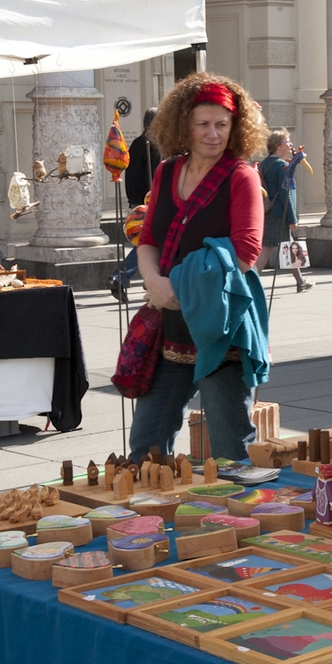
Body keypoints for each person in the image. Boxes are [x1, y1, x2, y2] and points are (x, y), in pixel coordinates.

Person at [131, 73, 268, 463]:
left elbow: (245, 253)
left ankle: (237, 522)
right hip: (171, 327)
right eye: (203, 124)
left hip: (221, 327)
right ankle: (151, 520)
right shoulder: (167, 172)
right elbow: (149, 240)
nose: (213, 134)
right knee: (145, 447)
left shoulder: (242, 176)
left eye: (222, 125)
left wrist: (172, 285)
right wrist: (154, 282)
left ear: (235, 127)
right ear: (183, 126)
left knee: (230, 452)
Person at [109, 107, 163, 302]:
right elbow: (156, 179)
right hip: (148, 203)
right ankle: (120, 277)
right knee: (147, 243)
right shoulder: (154, 146)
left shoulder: (137, 144)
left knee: (149, 243)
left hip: (136, 201)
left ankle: (149, 280)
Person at [255, 127, 313, 293]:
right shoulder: (281, 166)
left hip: (270, 211)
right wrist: (292, 218)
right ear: (277, 145)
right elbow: (286, 194)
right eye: (287, 141)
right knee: (268, 247)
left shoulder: (266, 162)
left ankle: (301, 281)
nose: (290, 144)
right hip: (279, 213)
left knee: (288, 247)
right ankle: (251, 280)